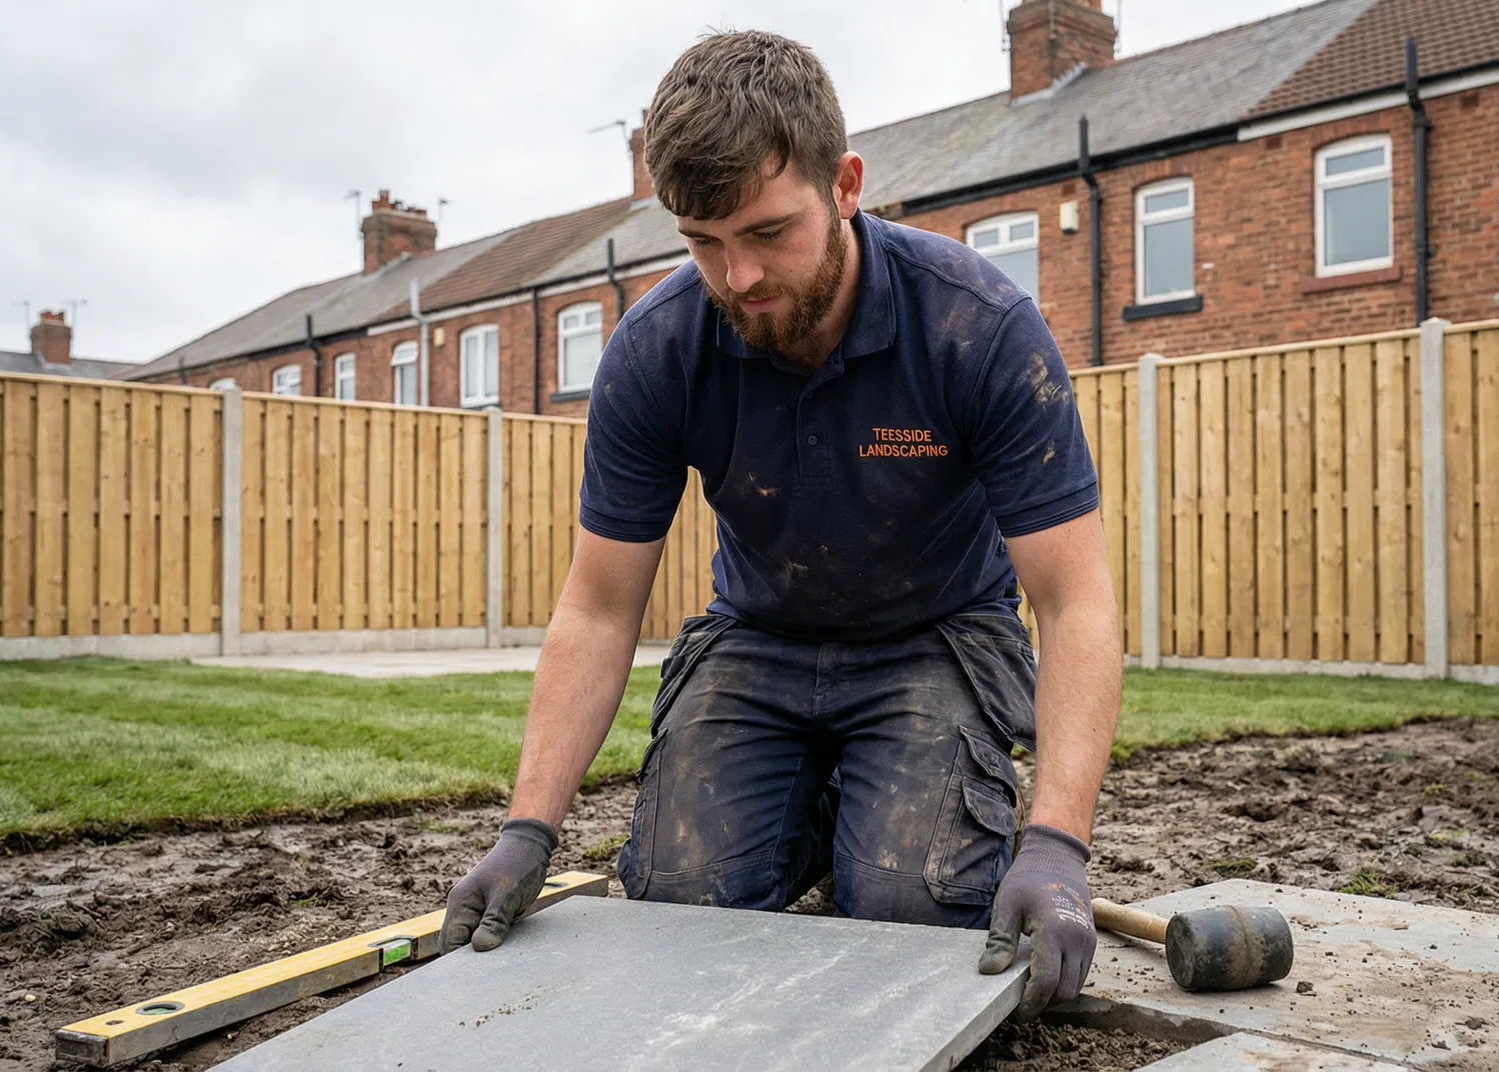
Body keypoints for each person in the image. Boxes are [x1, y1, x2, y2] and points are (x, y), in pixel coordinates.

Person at [440, 29, 1121, 1020]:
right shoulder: (659, 349)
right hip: (758, 639)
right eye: (702, 242)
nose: (738, 276)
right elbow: (595, 609)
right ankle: (815, 804)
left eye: (767, 232)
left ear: (843, 183)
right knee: (678, 898)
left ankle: (875, 806)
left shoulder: (973, 325)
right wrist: (528, 830)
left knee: (908, 904)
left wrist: (1057, 843)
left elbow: (1073, 601)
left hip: (934, 642)